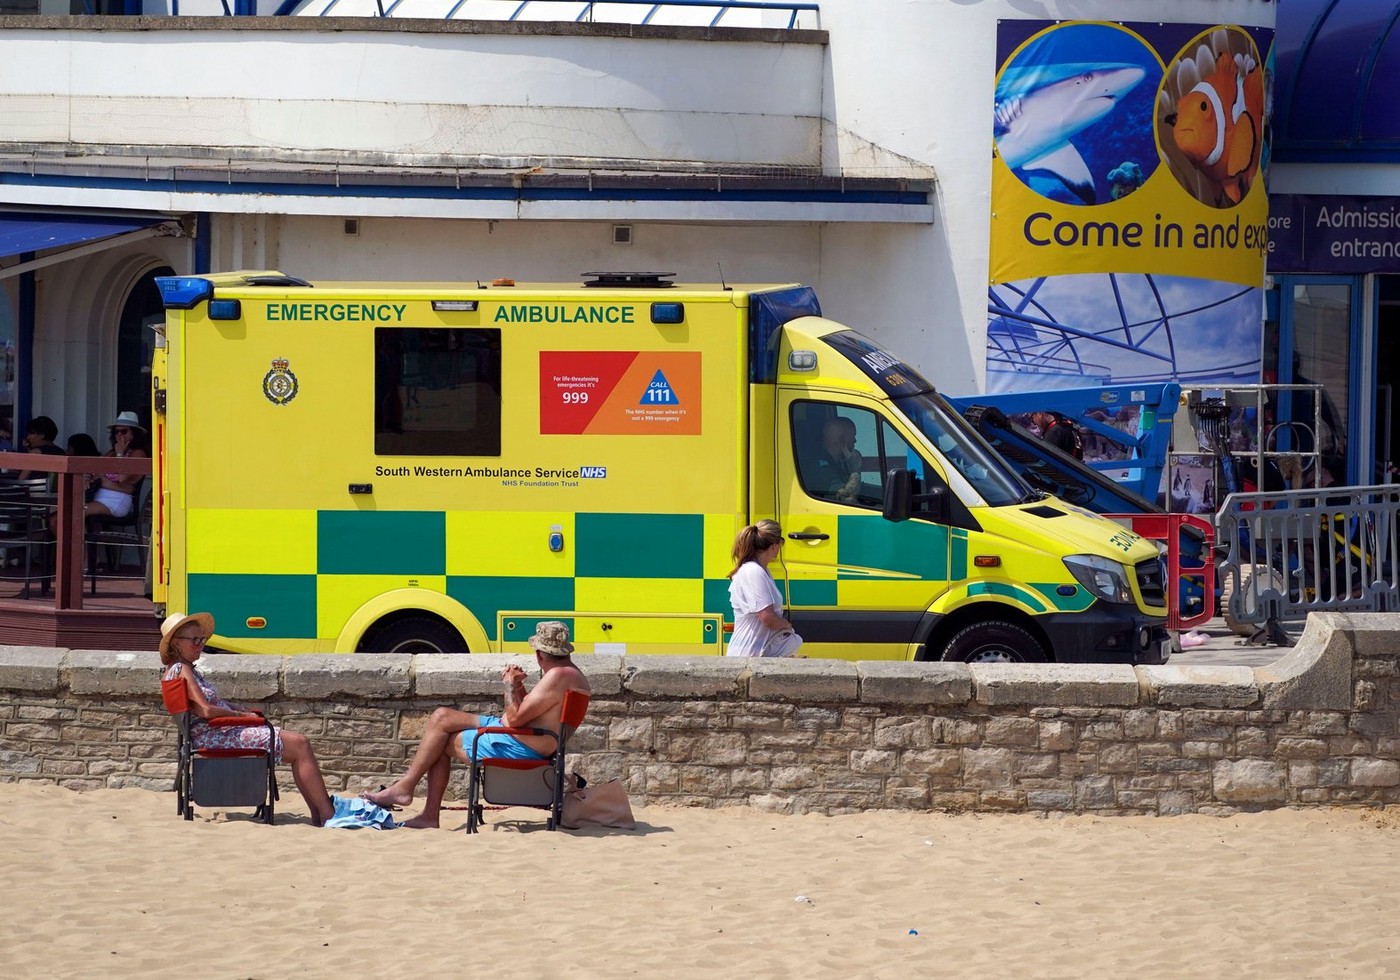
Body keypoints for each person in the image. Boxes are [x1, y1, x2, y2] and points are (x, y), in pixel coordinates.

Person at [362, 620, 591, 829]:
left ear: (540, 654)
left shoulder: (557, 676)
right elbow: (531, 713)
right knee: (442, 716)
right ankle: (408, 790)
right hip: (521, 734)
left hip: (518, 744)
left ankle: (421, 806)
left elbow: (514, 718)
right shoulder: (572, 675)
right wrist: (520, 688)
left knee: (441, 741)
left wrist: (509, 685)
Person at [159, 612, 335, 826]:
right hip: (214, 736)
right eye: (194, 640)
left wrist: (237, 708)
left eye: (202, 639)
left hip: (213, 733)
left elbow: (206, 705)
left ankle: (320, 813)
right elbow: (205, 710)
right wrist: (240, 716)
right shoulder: (182, 669)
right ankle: (325, 813)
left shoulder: (179, 670)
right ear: (177, 643)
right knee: (300, 744)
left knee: (298, 744)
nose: (200, 645)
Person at [726, 519, 802, 657]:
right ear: (774, 546)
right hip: (750, 655)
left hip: (754, 652)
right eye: (781, 543)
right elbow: (767, 617)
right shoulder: (754, 571)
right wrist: (786, 625)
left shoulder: (760, 571)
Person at [87, 411, 148, 519]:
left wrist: (120, 454)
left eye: (124, 431)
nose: (119, 435)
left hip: (116, 500)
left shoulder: (138, 454)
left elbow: (123, 478)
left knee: (77, 512)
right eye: (116, 432)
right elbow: (95, 471)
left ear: (134, 434)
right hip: (98, 497)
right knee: (59, 512)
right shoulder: (112, 452)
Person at [813, 416, 863, 502]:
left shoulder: (841, 463)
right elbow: (847, 498)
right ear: (841, 440)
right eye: (852, 436)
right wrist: (855, 472)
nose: (855, 441)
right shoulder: (821, 469)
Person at [16, 415, 65, 482]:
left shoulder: (36, 453)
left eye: (31, 433)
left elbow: (21, 480)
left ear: (42, 435)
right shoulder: (61, 452)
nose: (28, 437)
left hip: (34, 490)